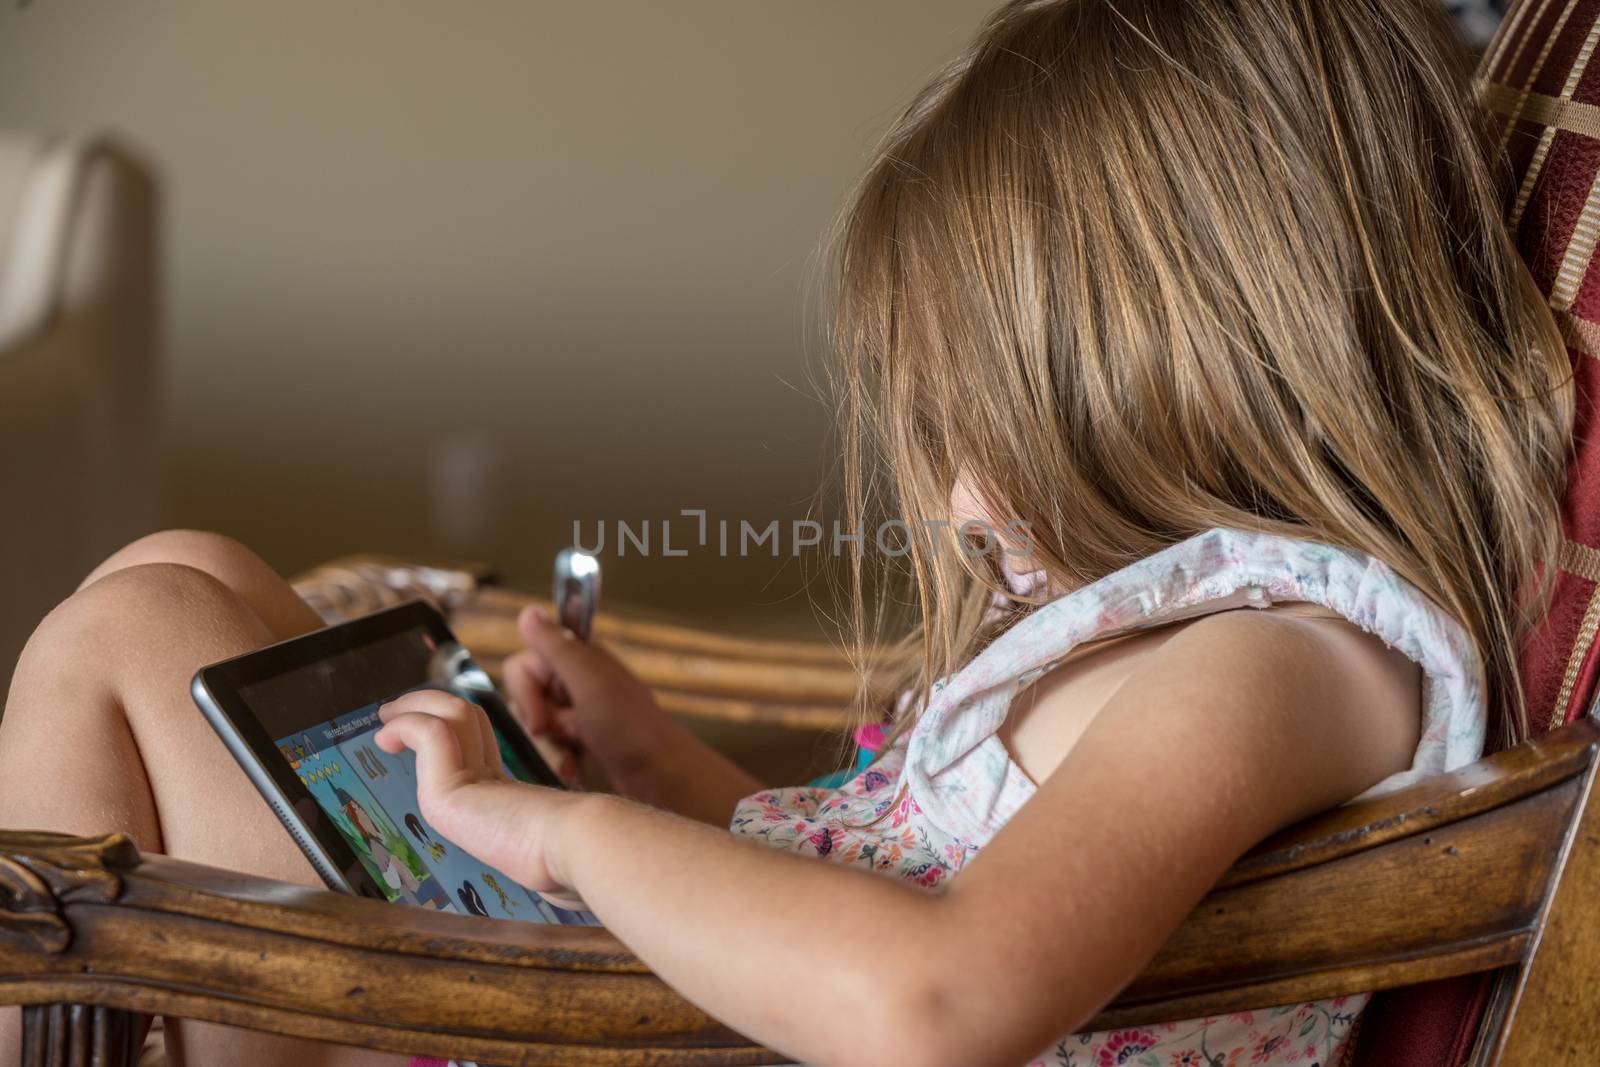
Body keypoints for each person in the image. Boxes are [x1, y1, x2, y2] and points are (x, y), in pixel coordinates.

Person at [0, 1, 1573, 1064]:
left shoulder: (1277, 663)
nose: (959, 506)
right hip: (651, 1009)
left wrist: (563, 837)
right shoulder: (1214, 637)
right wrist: (662, 772)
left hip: (616, 1033)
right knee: (183, 575)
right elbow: (903, 879)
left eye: (982, 430)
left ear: (1176, 362)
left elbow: (933, 1000)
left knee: (126, 641)